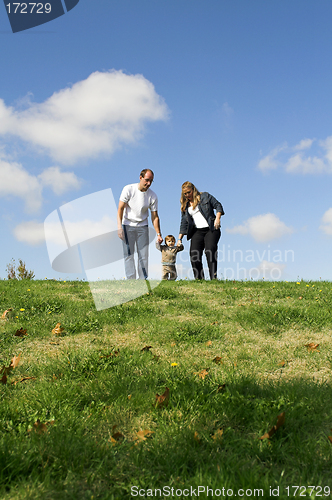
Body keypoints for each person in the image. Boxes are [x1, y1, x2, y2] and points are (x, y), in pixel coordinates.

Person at [117, 169, 163, 279]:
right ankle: (131, 280)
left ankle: (143, 280)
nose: (148, 183)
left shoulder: (152, 196)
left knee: (143, 255)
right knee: (129, 254)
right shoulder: (128, 189)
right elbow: (120, 208)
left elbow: (155, 216)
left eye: (151, 181)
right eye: (147, 180)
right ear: (140, 177)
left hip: (143, 227)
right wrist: (119, 227)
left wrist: (158, 233)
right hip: (127, 225)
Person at [178, 181, 224, 280]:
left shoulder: (205, 196)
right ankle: (199, 279)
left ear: (193, 190)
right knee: (194, 254)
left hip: (211, 229)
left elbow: (218, 205)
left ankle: (213, 277)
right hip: (197, 231)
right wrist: (179, 239)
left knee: (209, 250)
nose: (187, 195)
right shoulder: (185, 205)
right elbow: (184, 222)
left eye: (188, 192)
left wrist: (218, 218)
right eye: (185, 194)